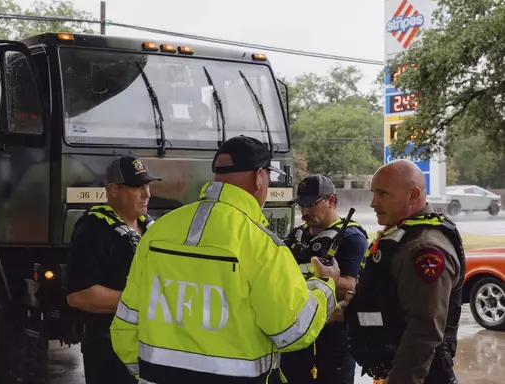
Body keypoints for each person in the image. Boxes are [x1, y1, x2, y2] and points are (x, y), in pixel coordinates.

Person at [110, 135, 341, 384]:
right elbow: (293, 331)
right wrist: (324, 286)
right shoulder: (261, 243)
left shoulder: (157, 232)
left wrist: (145, 374)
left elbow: (126, 325)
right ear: (259, 177)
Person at [343, 159, 465, 384]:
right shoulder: (401, 235)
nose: (373, 203)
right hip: (390, 368)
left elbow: (424, 331)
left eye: (383, 194)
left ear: (413, 195)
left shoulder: (425, 249)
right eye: (373, 193)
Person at [66, 155, 161, 384]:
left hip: (150, 346)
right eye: (138, 187)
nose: (147, 194)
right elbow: (79, 295)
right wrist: (145, 302)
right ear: (114, 190)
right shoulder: (92, 230)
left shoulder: (152, 228)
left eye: (147, 186)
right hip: (108, 350)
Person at [281, 174, 369, 384]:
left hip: (332, 339)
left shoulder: (351, 237)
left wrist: (322, 279)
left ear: (331, 201)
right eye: (301, 206)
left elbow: (354, 287)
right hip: (298, 333)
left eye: (310, 205)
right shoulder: (297, 234)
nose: (304, 212)